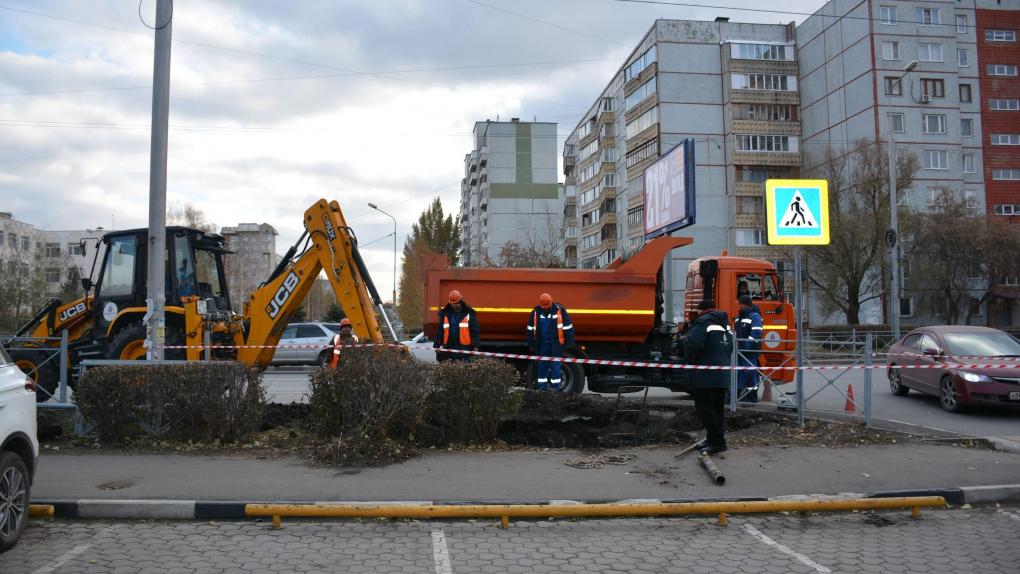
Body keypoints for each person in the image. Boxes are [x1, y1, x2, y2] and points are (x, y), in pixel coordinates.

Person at [683, 299, 734, 455]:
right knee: (717, 409)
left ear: (701, 311)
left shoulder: (703, 322)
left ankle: (718, 441)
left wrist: (687, 354)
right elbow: (730, 347)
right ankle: (713, 439)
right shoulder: (725, 324)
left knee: (704, 408)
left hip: (706, 375)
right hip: (722, 373)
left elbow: (693, 344)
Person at [525, 293, 574, 392]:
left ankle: (555, 389)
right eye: (544, 307)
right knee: (542, 366)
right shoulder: (535, 312)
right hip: (541, 345)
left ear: (551, 302)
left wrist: (568, 343)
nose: (545, 309)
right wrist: (530, 344)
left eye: (546, 307)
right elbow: (530, 329)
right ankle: (542, 388)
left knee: (555, 366)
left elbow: (568, 327)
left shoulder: (560, 311)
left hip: (555, 345)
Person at [433, 290, 480, 362]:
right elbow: (439, 331)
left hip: (464, 351)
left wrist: (476, 346)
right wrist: (436, 345)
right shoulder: (445, 314)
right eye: (452, 304)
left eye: (456, 304)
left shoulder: (469, 313)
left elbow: (475, 331)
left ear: (460, 302)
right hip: (448, 350)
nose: (454, 306)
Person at [734, 295, 763, 403]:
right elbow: (735, 333)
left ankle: (751, 397)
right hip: (740, 352)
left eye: (740, 304)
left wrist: (745, 347)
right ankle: (736, 397)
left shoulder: (755, 316)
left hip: (749, 352)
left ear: (745, 304)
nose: (739, 306)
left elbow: (756, 333)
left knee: (750, 374)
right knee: (738, 374)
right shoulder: (739, 317)